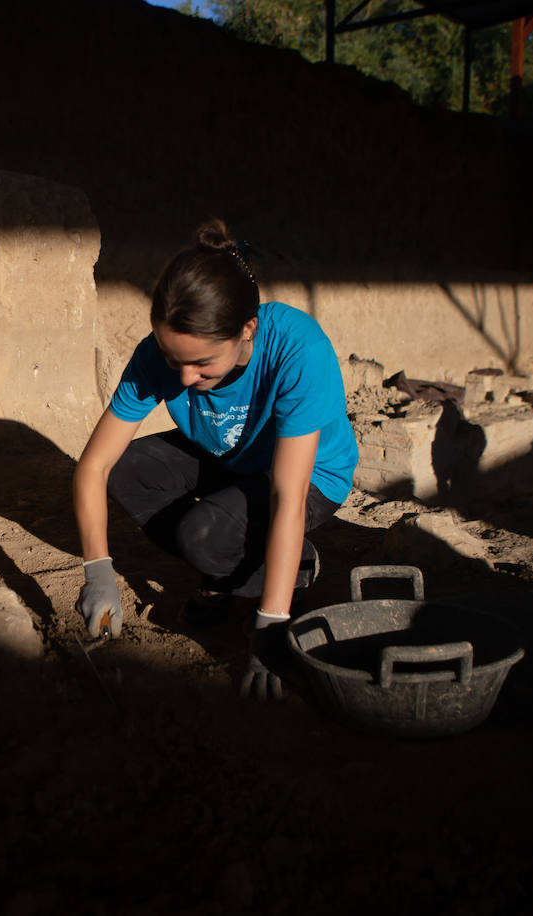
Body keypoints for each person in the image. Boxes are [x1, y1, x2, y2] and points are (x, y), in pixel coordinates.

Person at [72, 219, 358, 700]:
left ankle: (283, 570)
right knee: (125, 469)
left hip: (308, 477)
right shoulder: (159, 357)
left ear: (247, 329)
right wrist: (97, 570)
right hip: (229, 454)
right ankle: (243, 566)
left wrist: (270, 630)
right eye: (171, 360)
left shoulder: (297, 350)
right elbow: (93, 466)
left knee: (202, 535)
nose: (183, 377)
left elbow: (288, 498)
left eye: (202, 364)